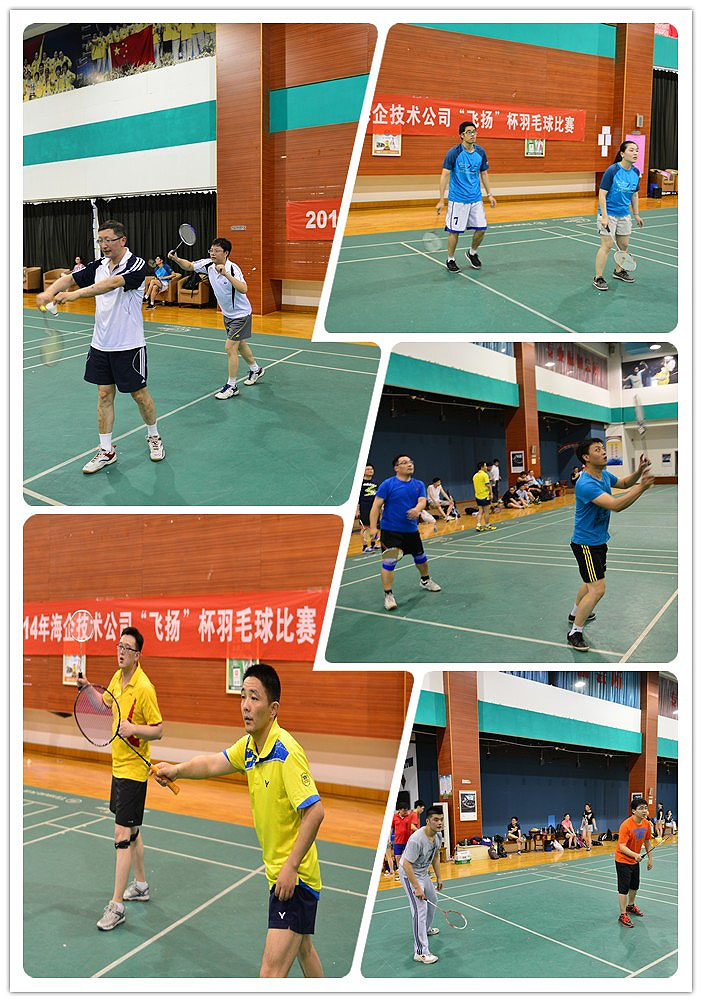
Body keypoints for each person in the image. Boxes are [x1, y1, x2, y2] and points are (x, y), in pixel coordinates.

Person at [154, 664, 325, 977]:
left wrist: (290, 868)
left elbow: (315, 812)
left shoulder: (285, 752)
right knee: (304, 950)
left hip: (294, 879)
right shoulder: (249, 748)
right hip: (280, 873)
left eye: (254, 698)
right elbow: (212, 764)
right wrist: (176, 770)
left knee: (270, 974)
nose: (246, 705)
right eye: (243, 696)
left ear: (273, 709)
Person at [38, 219, 166, 473]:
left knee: (139, 395)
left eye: (108, 240)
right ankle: (106, 450)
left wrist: (74, 295)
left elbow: (112, 284)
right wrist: (49, 291)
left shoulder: (136, 264)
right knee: (104, 395)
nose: (104, 245)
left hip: (129, 345)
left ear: (122, 240)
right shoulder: (98, 265)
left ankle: (154, 435)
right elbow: (70, 278)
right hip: (101, 344)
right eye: (100, 241)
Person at [76, 627, 164, 930]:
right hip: (118, 766)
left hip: (134, 771)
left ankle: (117, 906)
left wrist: (134, 729)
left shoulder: (144, 687)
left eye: (127, 648)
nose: (121, 652)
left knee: (121, 834)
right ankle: (141, 885)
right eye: (119, 646)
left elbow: (159, 729)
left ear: (137, 655)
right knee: (132, 829)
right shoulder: (117, 678)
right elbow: (105, 704)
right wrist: (88, 687)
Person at [567, 437, 654, 651]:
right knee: (597, 589)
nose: (604, 452)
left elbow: (623, 483)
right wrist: (642, 487)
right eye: (598, 449)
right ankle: (575, 632)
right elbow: (615, 505)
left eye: (603, 448)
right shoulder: (586, 484)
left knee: (590, 582)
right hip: (586, 544)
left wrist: (638, 472)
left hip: (598, 540)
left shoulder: (604, 475)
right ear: (586, 457)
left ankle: (574, 613)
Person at [168, 237, 265, 400]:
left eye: (217, 251)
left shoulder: (232, 268)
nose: (212, 253)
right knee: (240, 344)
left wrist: (226, 274)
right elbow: (190, 266)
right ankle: (256, 369)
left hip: (240, 314)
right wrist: (176, 259)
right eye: (211, 250)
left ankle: (232, 386)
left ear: (226, 253)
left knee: (230, 347)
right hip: (228, 314)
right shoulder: (208, 265)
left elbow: (243, 288)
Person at [368, 454, 442, 611]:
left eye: (410, 462)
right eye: (404, 462)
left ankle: (425, 580)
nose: (409, 464)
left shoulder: (418, 484)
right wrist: (373, 528)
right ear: (396, 467)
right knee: (389, 563)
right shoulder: (388, 484)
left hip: (411, 531)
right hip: (391, 532)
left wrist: (417, 509)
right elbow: (376, 506)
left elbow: (422, 501)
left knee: (421, 558)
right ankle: (388, 595)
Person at [436, 120, 497, 273]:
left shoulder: (480, 152)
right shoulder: (454, 153)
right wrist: (441, 199)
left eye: (474, 132)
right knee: (454, 231)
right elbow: (444, 175)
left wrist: (490, 194)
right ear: (462, 135)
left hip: (475, 199)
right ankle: (450, 259)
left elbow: (484, 173)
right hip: (458, 199)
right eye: (469, 132)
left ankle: (472, 253)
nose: (472, 135)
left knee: (481, 229)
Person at [593, 140, 643, 291]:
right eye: (631, 150)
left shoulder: (635, 172)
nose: (635, 153)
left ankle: (619, 271)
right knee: (607, 245)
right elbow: (602, 194)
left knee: (624, 245)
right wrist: (604, 216)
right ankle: (598, 277)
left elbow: (634, 195)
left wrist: (636, 214)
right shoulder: (612, 170)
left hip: (624, 214)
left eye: (637, 150)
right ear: (622, 153)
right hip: (609, 213)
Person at [399, 806, 444, 964]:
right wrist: (417, 887)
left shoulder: (438, 836)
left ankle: (425, 929)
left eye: (441, 819)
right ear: (428, 821)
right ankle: (421, 952)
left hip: (423, 872)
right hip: (409, 874)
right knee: (420, 910)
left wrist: (439, 877)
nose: (439, 823)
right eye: (436, 820)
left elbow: (435, 856)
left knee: (433, 901)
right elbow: (406, 864)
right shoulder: (416, 839)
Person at [615, 797, 653, 927]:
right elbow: (622, 847)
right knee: (623, 887)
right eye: (641, 808)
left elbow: (647, 842)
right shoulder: (626, 825)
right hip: (623, 859)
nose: (644, 811)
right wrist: (635, 855)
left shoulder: (646, 824)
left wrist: (650, 859)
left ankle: (630, 906)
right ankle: (622, 914)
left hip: (634, 860)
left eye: (646, 808)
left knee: (634, 885)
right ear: (633, 811)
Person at [357, 463, 380, 552]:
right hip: (364, 507)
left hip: (374, 507)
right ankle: (365, 547)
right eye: (368, 469)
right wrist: (357, 510)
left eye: (371, 469)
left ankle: (374, 544)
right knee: (365, 527)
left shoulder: (375, 482)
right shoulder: (360, 483)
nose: (370, 470)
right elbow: (357, 497)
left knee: (374, 525)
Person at [391, 805, 418, 875]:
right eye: (404, 810)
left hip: (407, 841)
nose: (405, 812)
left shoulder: (409, 817)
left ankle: (408, 874)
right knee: (398, 858)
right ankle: (401, 874)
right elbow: (391, 828)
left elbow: (413, 826)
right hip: (397, 841)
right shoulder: (394, 817)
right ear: (400, 810)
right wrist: (389, 838)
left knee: (407, 859)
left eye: (406, 810)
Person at [472, 460, 496, 532]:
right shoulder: (485, 475)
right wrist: (491, 493)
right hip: (485, 496)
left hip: (477, 496)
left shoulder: (475, 476)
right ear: (482, 467)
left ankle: (478, 525)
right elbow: (488, 485)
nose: (486, 467)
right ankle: (487, 525)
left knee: (480, 511)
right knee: (486, 512)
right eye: (485, 466)